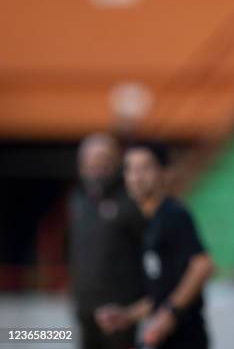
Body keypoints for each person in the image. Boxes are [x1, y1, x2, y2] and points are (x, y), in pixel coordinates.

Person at [95, 142, 214, 349]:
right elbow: (161, 297)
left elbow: (202, 265)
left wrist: (170, 314)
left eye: (145, 168)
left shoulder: (173, 214)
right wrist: (127, 316)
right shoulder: (149, 224)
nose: (136, 177)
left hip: (186, 339)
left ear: (165, 173)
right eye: (130, 168)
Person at [69, 133, 145, 349]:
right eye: (90, 160)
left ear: (116, 162)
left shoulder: (131, 200)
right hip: (85, 308)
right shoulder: (78, 199)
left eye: (103, 158)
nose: (97, 165)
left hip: (119, 311)